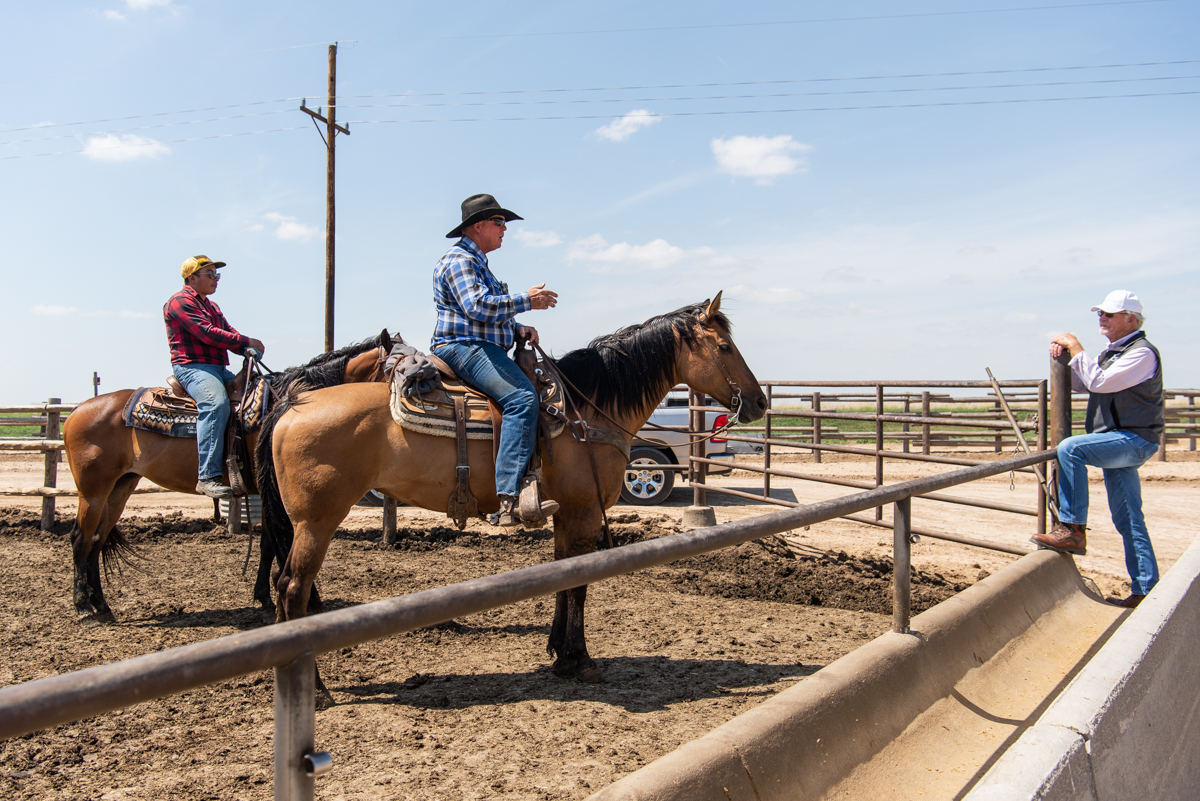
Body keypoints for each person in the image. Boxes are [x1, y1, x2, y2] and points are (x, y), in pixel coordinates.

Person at [431, 194, 559, 526]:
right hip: (463, 347)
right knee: (521, 398)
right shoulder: (460, 260)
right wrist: (526, 301)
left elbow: (484, 314)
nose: (505, 230)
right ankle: (510, 497)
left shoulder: (477, 263)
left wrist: (516, 328)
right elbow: (477, 306)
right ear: (477, 226)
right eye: (499, 223)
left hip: (475, 343)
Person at [1036, 290, 1163, 608]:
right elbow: (1081, 382)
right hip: (1120, 440)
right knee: (1128, 517)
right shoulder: (1113, 353)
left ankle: (1073, 528)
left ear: (1130, 319)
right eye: (1100, 313)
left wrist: (1076, 347)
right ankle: (1145, 590)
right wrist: (1063, 356)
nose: (1102, 318)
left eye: (1109, 313)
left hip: (1133, 439)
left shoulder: (1141, 353)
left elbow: (1098, 383)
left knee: (1071, 449)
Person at [163, 255, 265, 499]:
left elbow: (228, 333)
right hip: (193, 368)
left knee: (263, 394)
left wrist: (245, 348)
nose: (216, 279)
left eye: (217, 275)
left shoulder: (211, 306)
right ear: (192, 277)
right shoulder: (179, 301)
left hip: (218, 368)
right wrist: (246, 342)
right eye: (211, 274)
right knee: (216, 404)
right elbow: (207, 334)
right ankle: (207, 476)